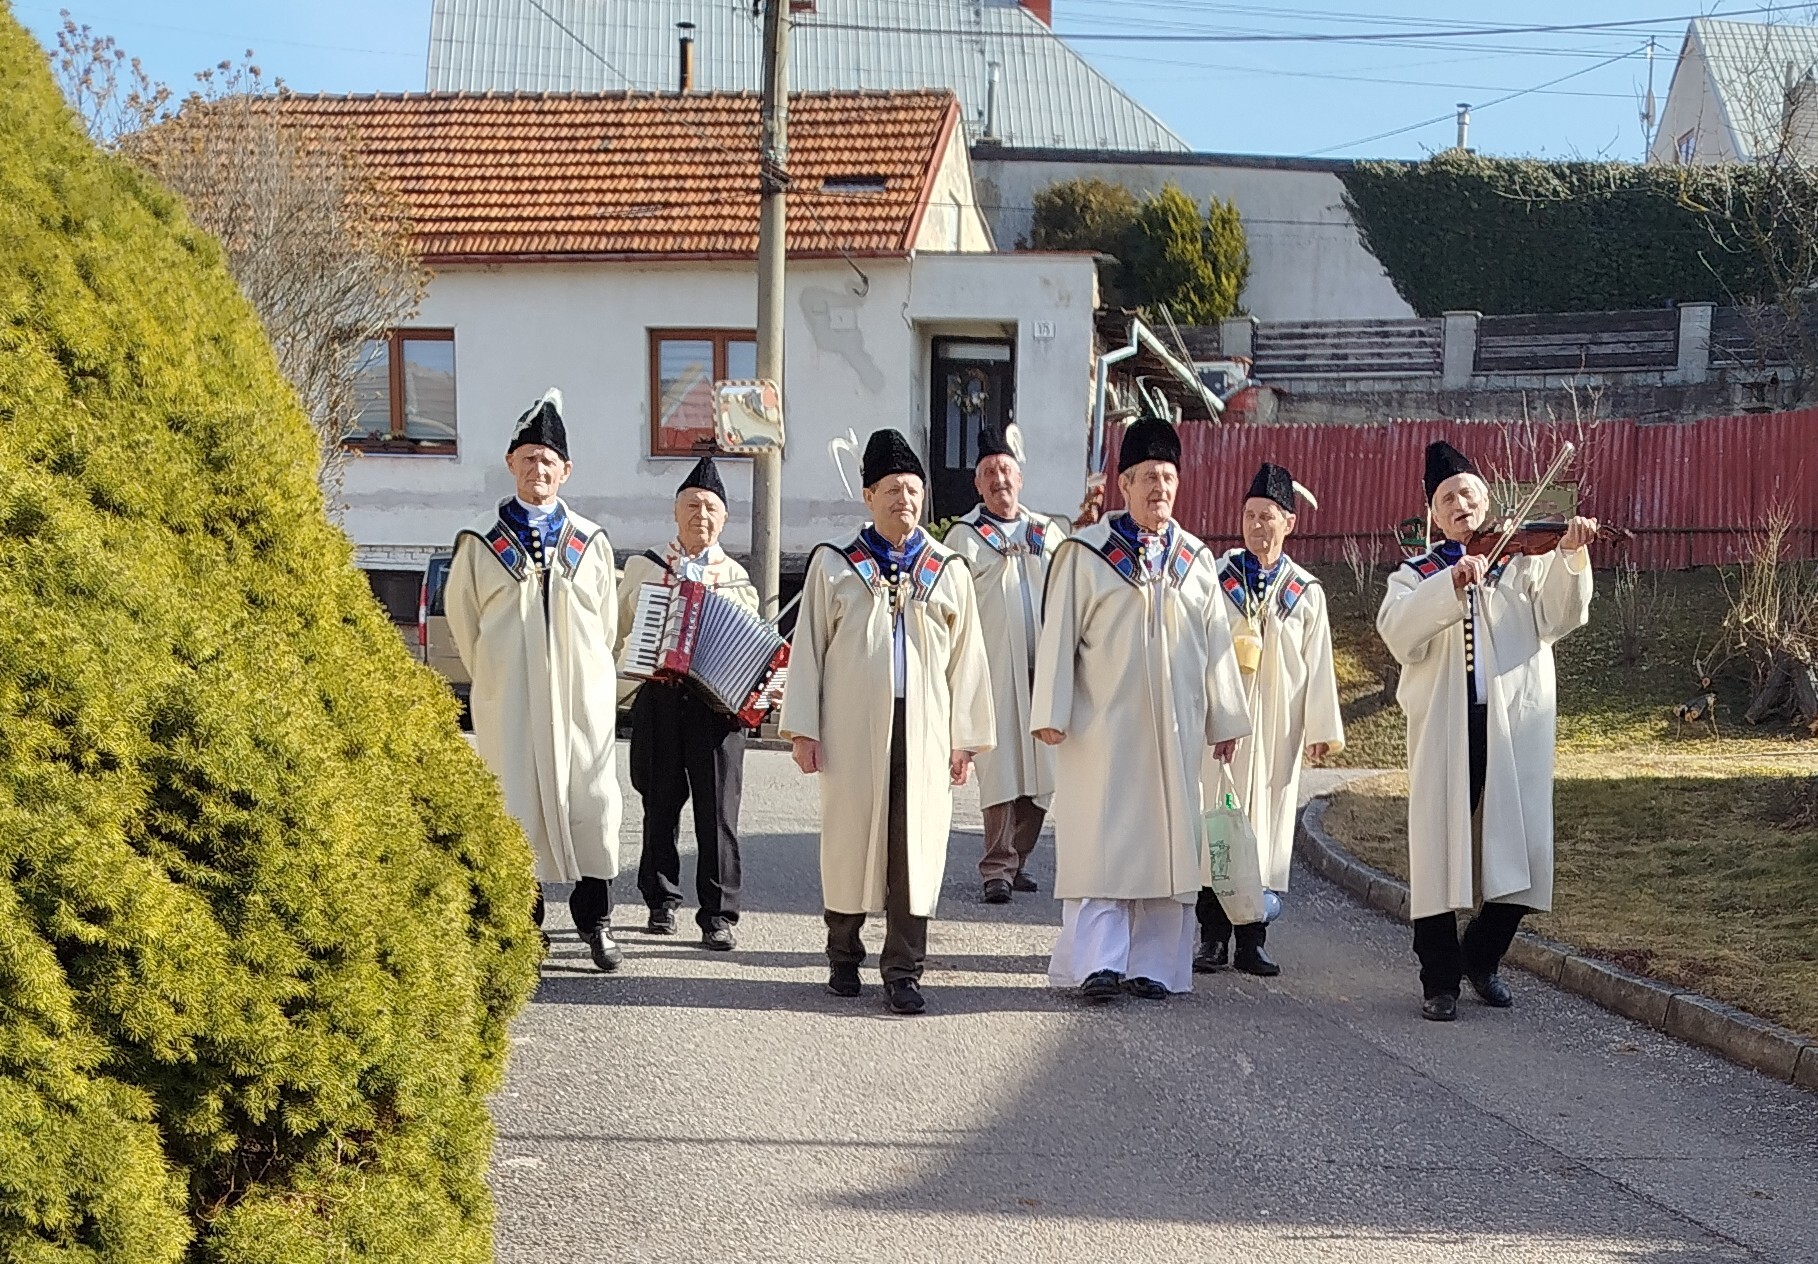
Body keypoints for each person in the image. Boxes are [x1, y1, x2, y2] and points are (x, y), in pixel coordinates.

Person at [1031, 416, 1251, 1001]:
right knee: (1103, 845)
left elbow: (1216, 642)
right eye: (1148, 476)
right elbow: (1058, 635)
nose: (1160, 487)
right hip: (1102, 727)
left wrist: (1226, 718)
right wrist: (1050, 710)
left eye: (1169, 477)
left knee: (1167, 847)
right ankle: (1099, 963)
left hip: (1175, 730)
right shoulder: (1086, 554)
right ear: (1124, 484)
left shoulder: (1195, 559)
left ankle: (1153, 965)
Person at [1377, 440, 1595, 1022]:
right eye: (1447, 499)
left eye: (1468, 494)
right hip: (1447, 727)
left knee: (1523, 846)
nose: (1461, 505)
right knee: (1439, 851)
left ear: (1487, 499)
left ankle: (1483, 956)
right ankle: (1439, 980)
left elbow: (1560, 617)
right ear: (1433, 514)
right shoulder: (1416, 574)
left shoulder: (1523, 559)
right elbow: (1397, 632)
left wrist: (1571, 555)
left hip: (1513, 725)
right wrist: (1448, 584)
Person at [779, 428, 995, 1016]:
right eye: (893, 489)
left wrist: (965, 740)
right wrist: (804, 729)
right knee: (850, 837)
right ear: (868, 495)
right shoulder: (835, 565)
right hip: (851, 724)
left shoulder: (946, 569)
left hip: (924, 729)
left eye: (913, 490)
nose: (905, 499)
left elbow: (967, 659)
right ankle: (843, 954)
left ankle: (903, 969)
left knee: (914, 848)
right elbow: (809, 649)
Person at [446, 389, 625, 972]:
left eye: (548, 461)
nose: (538, 469)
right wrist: (499, 676)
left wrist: (586, 677)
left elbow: (607, 623)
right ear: (510, 464)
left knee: (591, 805)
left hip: (579, 702)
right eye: (528, 459)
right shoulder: (480, 541)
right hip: (513, 700)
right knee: (515, 808)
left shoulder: (592, 542)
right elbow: (464, 622)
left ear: (566, 470)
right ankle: (525, 929)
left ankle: (596, 922)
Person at [1195, 462, 1345, 978]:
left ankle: (1252, 941)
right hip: (1224, 725)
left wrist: (1321, 730)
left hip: (1280, 727)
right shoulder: (1217, 579)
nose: (1258, 525)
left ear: (1289, 523)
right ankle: (1212, 938)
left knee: (1264, 830)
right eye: (1250, 515)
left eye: (1268, 516)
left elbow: (1318, 661)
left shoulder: (1305, 591)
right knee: (1219, 826)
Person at [616, 455, 757, 952]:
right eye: (692, 505)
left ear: (725, 519)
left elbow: (751, 648)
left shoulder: (736, 578)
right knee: (658, 802)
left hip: (716, 708)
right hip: (660, 697)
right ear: (675, 512)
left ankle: (718, 915)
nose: (701, 514)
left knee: (717, 813)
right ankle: (660, 898)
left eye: (711, 507)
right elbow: (616, 630)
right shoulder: (646, 566)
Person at [942, 423, 1067, 904]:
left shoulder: (1047, 534)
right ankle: (996, 867)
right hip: (992, 672)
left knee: (1042, 769)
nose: (999, 480)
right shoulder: (964, 538)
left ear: (1020, 477)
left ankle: (1018, 859)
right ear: (978, 484)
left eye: (1006, 470)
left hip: (1042, 671)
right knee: (1001, 770)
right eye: (989, 473)